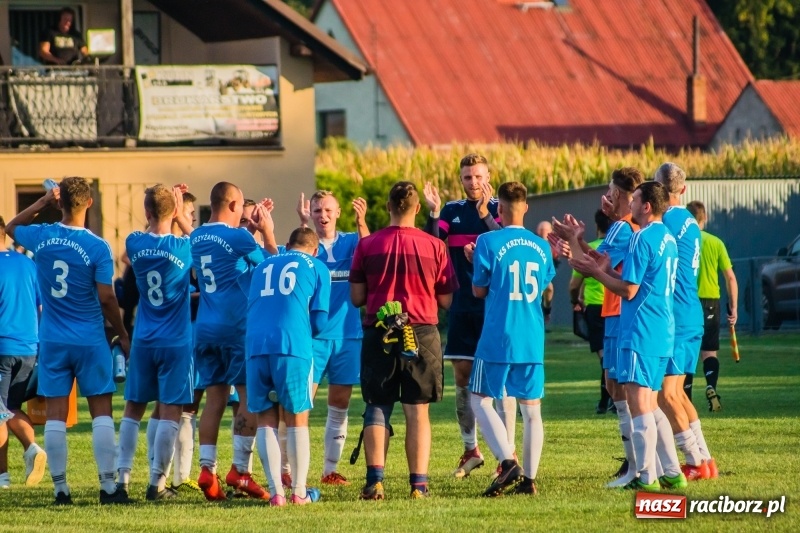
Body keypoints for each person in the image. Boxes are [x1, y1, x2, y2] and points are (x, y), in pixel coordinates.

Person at [6, 177, 131, 505]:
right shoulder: (97, 246)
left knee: (56, 414)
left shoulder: (43, 236)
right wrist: (122, 332)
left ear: (59, 202)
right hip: (89, 338)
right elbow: (106, 297)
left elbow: (12, 227)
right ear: (89, 202)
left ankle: (61, 489)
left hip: (52, 339)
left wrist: (42, 202)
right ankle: (107, 488)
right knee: (101, 411)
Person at [350, 181, 458, 499]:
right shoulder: (434, 246)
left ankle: (375, 482)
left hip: (379, 331)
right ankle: (418, 485)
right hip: (421, 332)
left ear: (388, 207)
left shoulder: (367, 245)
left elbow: (357, 297)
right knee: (417, 410)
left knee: (377, 406)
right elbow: (447, 300)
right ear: (417, 208)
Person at [571, 181, 678, 491]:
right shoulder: (667, 237)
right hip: (662, 328)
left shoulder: (641, 238)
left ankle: (647, 477)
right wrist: (605, 269)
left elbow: (629, 291)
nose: (630, 205)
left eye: (635, 200)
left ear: (646, 206)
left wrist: (597, 274)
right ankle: (672, 471)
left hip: (641, 329)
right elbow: (639, 282)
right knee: (651, 403)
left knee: (639, 403)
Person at [423, 153, 516, 479]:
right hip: (463, 306)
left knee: (500, 382)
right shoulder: (452, 210)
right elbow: (432, 244)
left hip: (495, 309)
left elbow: (509, 243)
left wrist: (485, 215)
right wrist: (434, 212)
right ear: (461, 179)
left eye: (478, 176)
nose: (473, 182)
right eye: (467, 177)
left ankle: (507, 454)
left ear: (488, 177)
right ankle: (470, 449)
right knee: (462, 377)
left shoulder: (502, 209)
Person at [552, 167, 643, 487]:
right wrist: (576, 239)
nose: (605, 196)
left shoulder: (622, 226)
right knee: (619, 386)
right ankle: (638, 462)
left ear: (618, 194)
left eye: (609, 190)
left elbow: (593, 265)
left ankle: (640, 464)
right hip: (620, 311)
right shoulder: (633, 225)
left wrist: (573, 241)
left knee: (627, 390)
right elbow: (597, 259)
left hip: (620, 312)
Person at [464, 182, 556, 497]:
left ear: (499, 209)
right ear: (526, 207)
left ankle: (507, 461)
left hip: (499, 335)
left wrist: (473, 261)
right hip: (531, 336)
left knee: (479, 399)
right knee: (531, 410)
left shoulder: (487, 241)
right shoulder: (541, 246)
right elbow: (543, 286)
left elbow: (479, 290)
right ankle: (529, 481)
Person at [190, 182, 276, 501]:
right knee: (248, 398)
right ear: (232, 205)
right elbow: (272, 265)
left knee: (213, 400)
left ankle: (206, 469)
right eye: (240, 205)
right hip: (236, 328)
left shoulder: (196, 236)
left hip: (204, 328)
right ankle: (240, 470)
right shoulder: (239, 237)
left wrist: (248, 232)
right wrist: (267, 233)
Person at [115, 184, 195, 501]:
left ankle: (121, 481)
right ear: (174, 212)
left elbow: (143, 238)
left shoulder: (134, 242)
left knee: (133, 409)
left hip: (144, 339)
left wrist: (166, 210)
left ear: (146, 212)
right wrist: (178, 212)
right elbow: (197, 240)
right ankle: (156, 484)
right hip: (176, 340)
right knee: (171, 410)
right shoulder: (184, 246)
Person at [246, 227, 331, 506]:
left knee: (265, 418)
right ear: (315, 250)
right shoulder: (317, 266)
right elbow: (319, 322)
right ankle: (299, 491)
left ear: (287, 245)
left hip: (256, 344)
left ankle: (276, 494)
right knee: (297, 417)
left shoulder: (263, 265)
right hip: (292, 344)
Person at [297, 191, 368, 485]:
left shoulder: (351, 241)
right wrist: (303, 227)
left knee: (339, 404)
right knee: (300, 404)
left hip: (347, 336)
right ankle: (290, 472)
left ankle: (329, 470)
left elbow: (370, 252)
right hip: (312, 338)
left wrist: (362, 222)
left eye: (328, 210)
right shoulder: (304, 246)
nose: (323, 215)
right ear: (310, 214)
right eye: (317, 210)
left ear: (338, 212)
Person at [651, 163, 711, 487]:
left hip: (675, 315)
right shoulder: (689, 220)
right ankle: (705, 458)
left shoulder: (666, 221)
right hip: (692, 312)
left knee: (665, 394)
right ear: (683, 189)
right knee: (678, 392)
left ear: (659, 189)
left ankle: (693, 461)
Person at [0, 215, 47, 489]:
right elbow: (41, 307)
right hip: (29, 348)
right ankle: (32, 449)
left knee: (0, 411)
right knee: (10, 407)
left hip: (3, 346)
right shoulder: (28, 263)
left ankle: (3, 475)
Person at [686, 201, 738, 412]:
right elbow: (730, 278)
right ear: (704, 218)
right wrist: (733, 307)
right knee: (709, 352)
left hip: (687, 301)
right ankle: (711, 387)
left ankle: (685, 397)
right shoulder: (716, 242)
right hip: (710, 303)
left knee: (687, 353)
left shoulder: (684, 241)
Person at [568, 210, 611, 414]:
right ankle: (611, 399)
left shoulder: (589, 250)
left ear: (596, 226)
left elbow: (574, 284)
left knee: (604, 356)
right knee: (613, 354)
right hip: (617, 305)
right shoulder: (617, 247)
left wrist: (575, 300)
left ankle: (607, 400)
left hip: (595, 306)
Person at [535, 221, 558, 323]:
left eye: (546, 232)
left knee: (548, 288)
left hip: (543, 277)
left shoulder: (553, 247)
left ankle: (546, 312)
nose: (543, 234)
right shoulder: (532, 245)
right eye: (541, 231)